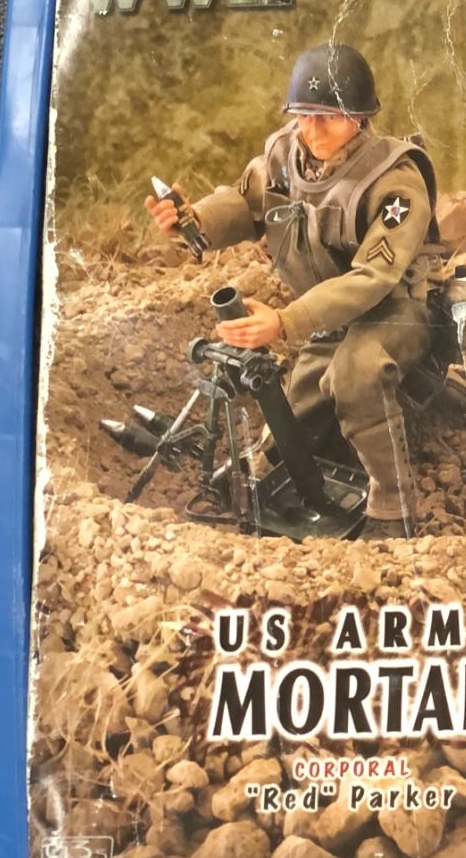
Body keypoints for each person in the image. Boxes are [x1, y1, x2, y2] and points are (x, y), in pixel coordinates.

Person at [147, 43, 439, 534]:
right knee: (292, 414)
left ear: (360, 117)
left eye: (329, 117)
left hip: (393, 312)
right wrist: (194, 221)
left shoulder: (395, 181)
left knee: (356, 373)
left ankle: (393, 505)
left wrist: (285, 321)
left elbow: (374, 277)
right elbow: (246, 203)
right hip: (329, 319)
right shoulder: (285, 155)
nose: (312, 130)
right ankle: (271, 472)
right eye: (303, 115)